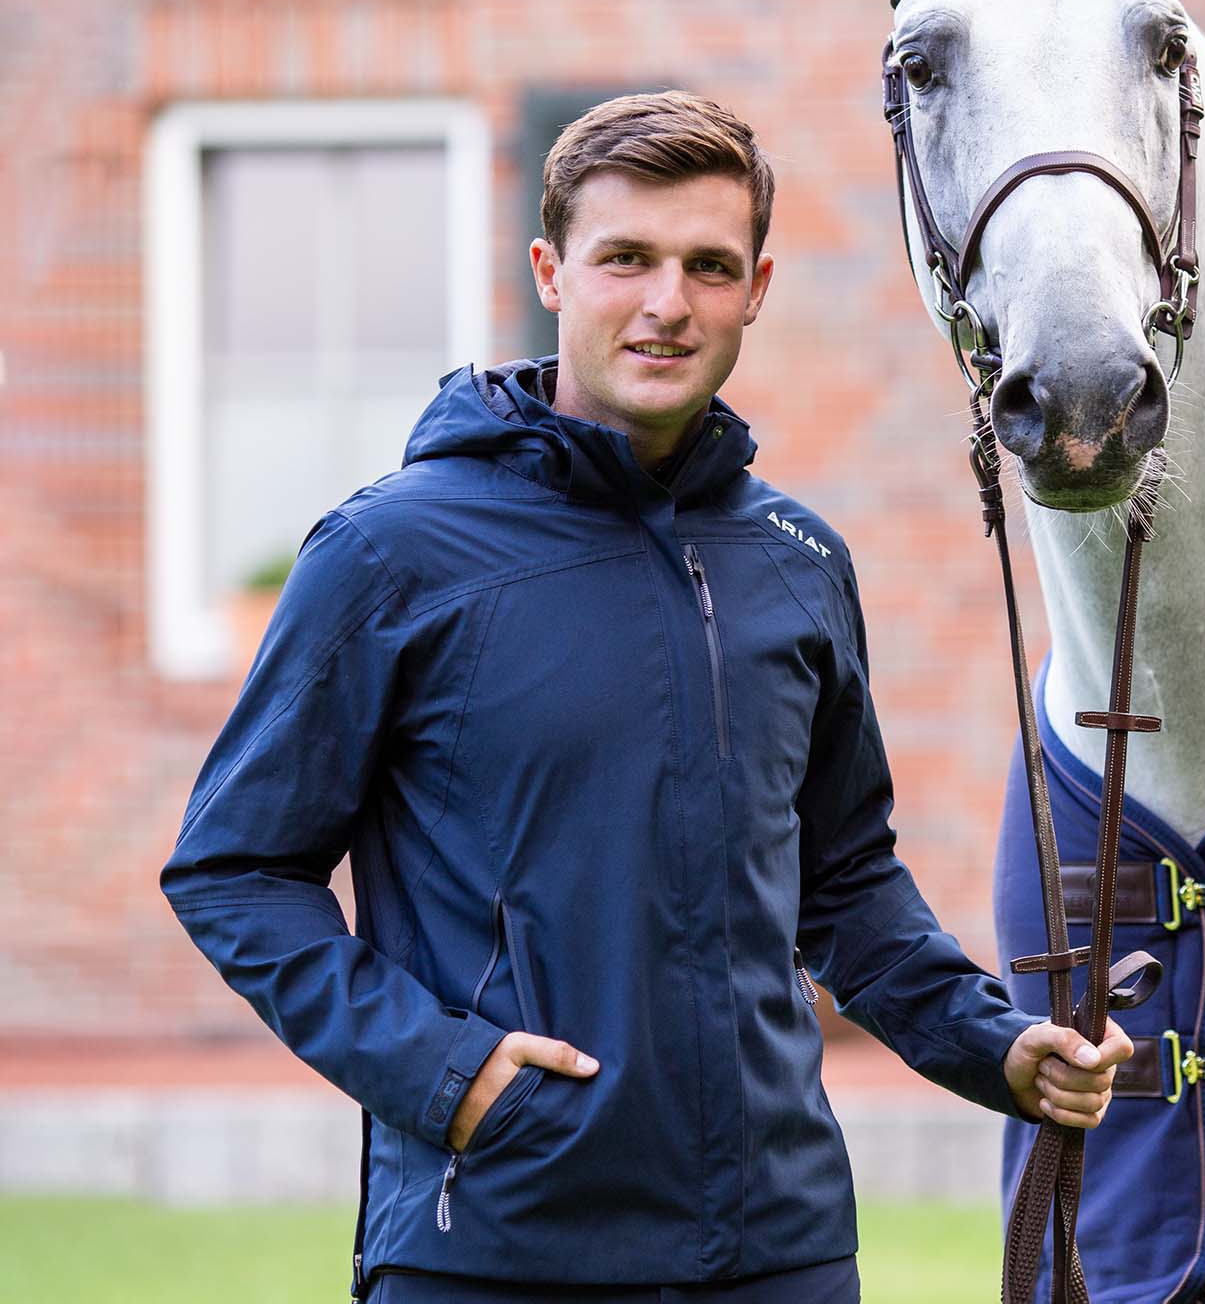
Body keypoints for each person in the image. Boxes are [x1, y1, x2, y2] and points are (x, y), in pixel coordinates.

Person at [159, 91, 1132, 1303]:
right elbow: (234, 870)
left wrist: (995, 1043)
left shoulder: (798, 562)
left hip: (783, 1250)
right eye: (626, 257)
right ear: (550, 272)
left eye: (708, 266)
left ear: (755, 289)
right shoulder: (388, 555)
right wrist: (445, 1073)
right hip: (497, 1246)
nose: (668, 302)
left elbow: (843, 886)